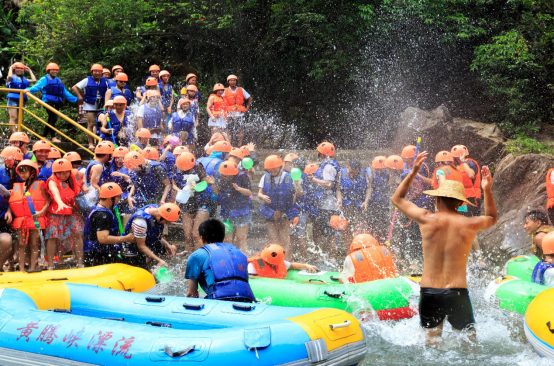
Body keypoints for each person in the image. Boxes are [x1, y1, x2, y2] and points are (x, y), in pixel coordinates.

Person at [391, 152, 497, 346]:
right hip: (457, 292)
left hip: (429, 291)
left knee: (431, 345)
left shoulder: (426, 218)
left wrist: (414, 171)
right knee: (469, 345)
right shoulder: (469, 223)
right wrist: (487, 190)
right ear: (460, 203)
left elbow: (397, 199)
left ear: (437, 200)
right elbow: (492, 218)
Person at [185, 218, 256, 302]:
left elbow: (192, 295)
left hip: (218, 301)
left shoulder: (196, 256)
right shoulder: (239, 253)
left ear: (202, 238)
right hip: (247, 300)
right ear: (224, 237)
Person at [46, 158, 90, 269]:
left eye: (66, 171)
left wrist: (83, 184)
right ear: (55, 172)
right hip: (56, 210)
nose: (63, 174)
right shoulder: (52, 181)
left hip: (72, 208)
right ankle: (50, 265)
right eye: (60, 172)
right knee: (52, 236)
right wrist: (60, 202)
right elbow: (54, 192)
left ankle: (80, 263)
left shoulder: (74, 173)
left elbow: (82, 174)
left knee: (77, 233)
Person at [10, 160, 49, 272]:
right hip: (22, 220)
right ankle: (21, 269)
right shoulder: (18, 186)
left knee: (33, 244)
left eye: (24, 172)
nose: (22, 175)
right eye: (20, 172)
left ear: (32, 172)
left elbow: (47, 202)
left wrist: (40, 213)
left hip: (34, 219)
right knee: (21, 245)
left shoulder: (40, 185)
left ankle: (32, 267)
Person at [83, 182, 135, 267]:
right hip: (97, 254)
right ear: (111, 198)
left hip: (96, 252)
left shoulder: (97, 207)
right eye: (119, 197)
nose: (120, 199)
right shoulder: (103, 215)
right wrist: (126, 238)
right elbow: (103, 239)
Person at [25, 63, 78, 143]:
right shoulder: (44, 79)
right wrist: (29, 90)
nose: (55, 71)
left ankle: (44, 136)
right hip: (48, 101)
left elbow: (64, 92)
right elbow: (37, 86)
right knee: (53, 118)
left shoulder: (58, 80)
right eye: (53, 70)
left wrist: (75, 99)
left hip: (56, 102)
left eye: (56, 70)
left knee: (52, 119)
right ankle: (53, 137)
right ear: (48, 70)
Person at [258, 155, 298, 253]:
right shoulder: (265, 177)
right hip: (270, 211)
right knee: (273, 240)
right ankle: (275, 260)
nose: (272, 171)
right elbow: (259, 193)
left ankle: (287, 261)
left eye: (274, 169)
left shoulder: (290, 177)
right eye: (269, 169)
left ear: (280, 166)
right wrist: (263, 197)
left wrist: (298, 185)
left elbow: (297, 192)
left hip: (285, 212)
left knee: (285, 240)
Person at [174, 152, 213, 253]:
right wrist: (180, 190)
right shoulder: (176, 167)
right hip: (186, 203)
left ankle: (198, 259)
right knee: (187, 236)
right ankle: (189, 260)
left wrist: (195, 185)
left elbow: (206, 181)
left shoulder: (198, 166)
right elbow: (173, 184)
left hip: (201, 202)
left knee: (196, 235)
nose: (184, 169)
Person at [123, 203, 178, 269]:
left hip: (148, 242)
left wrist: (167, 244)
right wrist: (159, 260)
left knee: (173, 248)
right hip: (133, 248)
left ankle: (156, 268)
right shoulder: (140, 221)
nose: (165, 224)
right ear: (160, 216)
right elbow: (141, 247)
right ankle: (152, 269)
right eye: (166, 222)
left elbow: (156, 235)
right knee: (144, 267)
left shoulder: (156, 209)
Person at [309, 142, 341, 258]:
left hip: (328, 205)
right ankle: (329, 256)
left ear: (322, 155)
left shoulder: (328, 167)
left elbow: (329, 184)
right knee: (328, 232)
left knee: (328, 233)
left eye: (319, 154)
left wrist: (314, 179)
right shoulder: (332, 164)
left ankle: (330, 257)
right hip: (328, 204)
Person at [214, 161, 252, 253]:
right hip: (227, 212)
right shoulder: (222, 179)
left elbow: (249, 192)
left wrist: (239, 189)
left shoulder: (242, 177)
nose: (224, 177)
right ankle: (230, 260)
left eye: (226, 175)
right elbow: (217, 192)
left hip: (242, 211)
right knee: (227, 240)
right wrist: (212, 184)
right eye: (222, 175)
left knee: (240, 238)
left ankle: (245, 260)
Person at [72, 64, 109, 149]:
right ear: (92, 72)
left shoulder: (105, 81)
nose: (97, 73)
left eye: (99, 71)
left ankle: (101, 141)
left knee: (103, 123)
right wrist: (79, 96)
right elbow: (74, 87)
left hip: (101, 104)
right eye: (95, 71)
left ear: (101, 72)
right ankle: (90, 143)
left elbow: (108, 91)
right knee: (91, 123)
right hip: (90, 104)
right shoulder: (86, 80)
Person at [337, 159, 371, 247]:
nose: (352, 174)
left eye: (355, 173)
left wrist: (366, 202)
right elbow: (338, 190)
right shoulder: (341, 174)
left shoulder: (365, 174)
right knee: (346, 230)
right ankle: (348, 253)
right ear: (347, 167)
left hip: (359, 207)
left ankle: (359, 250)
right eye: (350, 172)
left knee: (360, 230)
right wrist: (339, 200)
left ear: (359, 170)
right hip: (346, 207)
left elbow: (369, 188)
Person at [248, 243, 318, 278]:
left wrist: (306, 266)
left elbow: (292, 265)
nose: (274, 265)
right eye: (272, 264)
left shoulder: (278, 262)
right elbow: (251, 281)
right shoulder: (253, 266)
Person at [6, 62, 36, 134]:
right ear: (14, 69)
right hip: (12, 99)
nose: (19, 70)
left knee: (19, 119)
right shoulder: (11, 77)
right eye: (17, 68)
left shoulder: (24, 78)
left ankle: (18, 133)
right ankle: (14, 134)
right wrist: (11, 67)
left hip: (22, 100)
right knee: (14, 117)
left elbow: (34, 80)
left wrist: (29, 70)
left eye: (21, 69)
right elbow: (9, 77)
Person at [223, 74, 252, 146]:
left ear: (236, 81)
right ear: (228, 82)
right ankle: (229, 144)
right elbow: (220, 100)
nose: (233, 82)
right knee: (228, 130)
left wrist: (247, 108)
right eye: (231, 80)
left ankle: (239, 144)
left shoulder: (241, 89)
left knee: (241, 129)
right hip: (229, 114)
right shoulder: (225, 90)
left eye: (234, 80)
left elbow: (249, 98)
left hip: (240, 113)